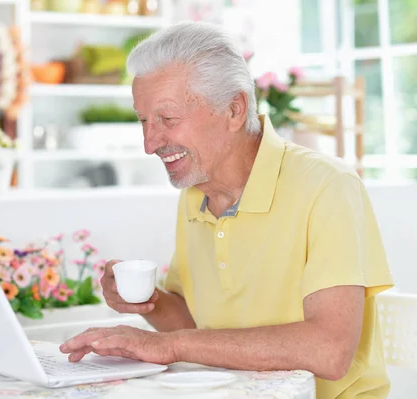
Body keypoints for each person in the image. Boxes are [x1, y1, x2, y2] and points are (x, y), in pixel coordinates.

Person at [59, 21, 394, 399]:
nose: (150, 143)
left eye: (167, 120)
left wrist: (169, 347)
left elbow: (329, 351)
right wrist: (146, 302)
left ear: (235, 110)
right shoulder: (195, 194)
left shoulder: (327, 186)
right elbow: (195, 328)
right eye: (143, 121)